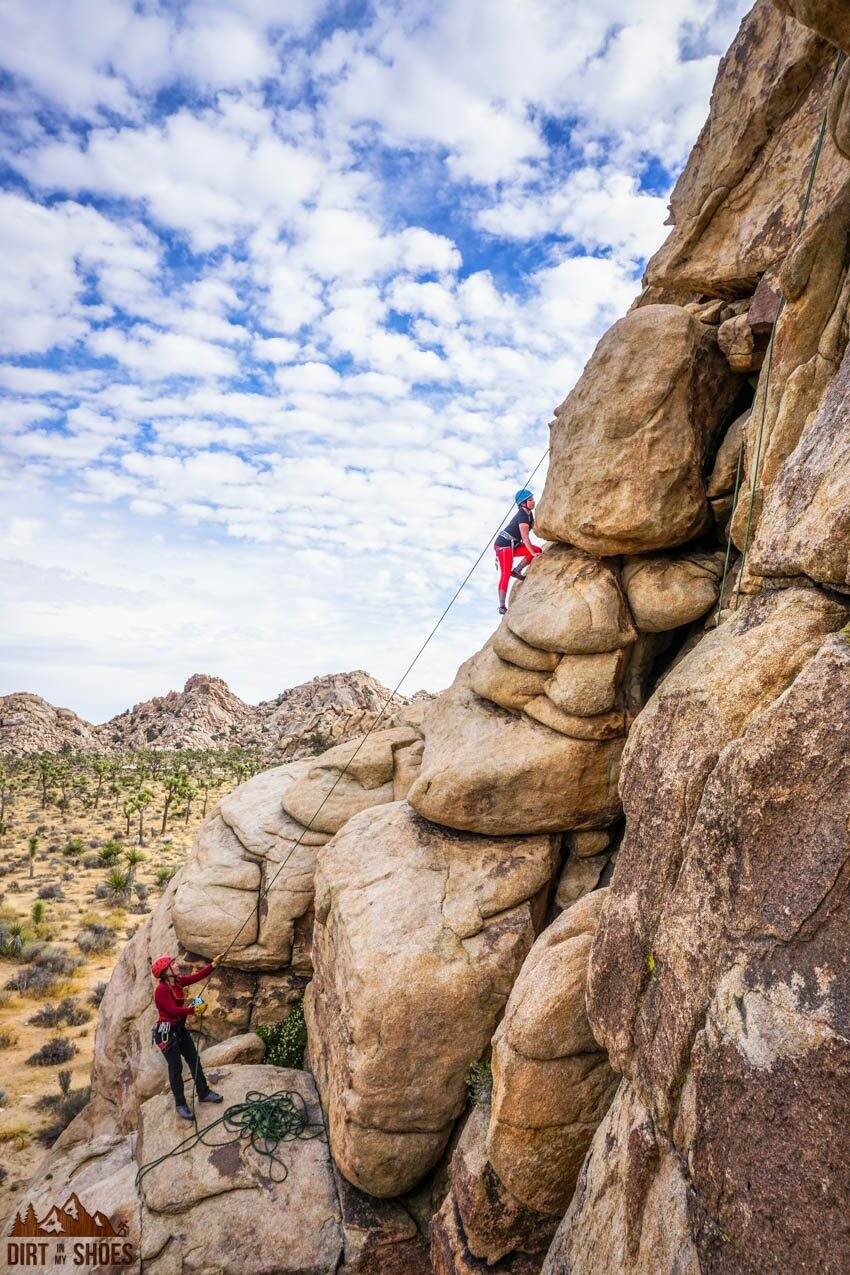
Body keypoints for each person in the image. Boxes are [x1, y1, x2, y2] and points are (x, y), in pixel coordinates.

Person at [151, 954, 225, 1121]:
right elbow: (173, 1011)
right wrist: (194, 1010)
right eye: (173, 964)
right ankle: (180, 1105)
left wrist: (213, 964)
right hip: (166, 1033)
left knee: (194, 1059)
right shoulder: (161, 991)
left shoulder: (177, 982)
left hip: (179, 1029)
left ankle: (204, 1092)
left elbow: (196, 977)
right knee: (175, 1068)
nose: (177, 965)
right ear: (166, 972)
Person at [494, 489, 542, 613]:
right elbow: (525, 538)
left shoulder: (529, 514)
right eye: (530, 500)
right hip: (504, 545)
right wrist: (532, 554)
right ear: (522, 503)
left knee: (537, 549)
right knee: (505, 574)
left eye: (532, 499)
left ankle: (517, 571)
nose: (533, 501)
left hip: (513, 544)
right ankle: (502, 606)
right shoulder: (522, 515)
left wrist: (533, 552)